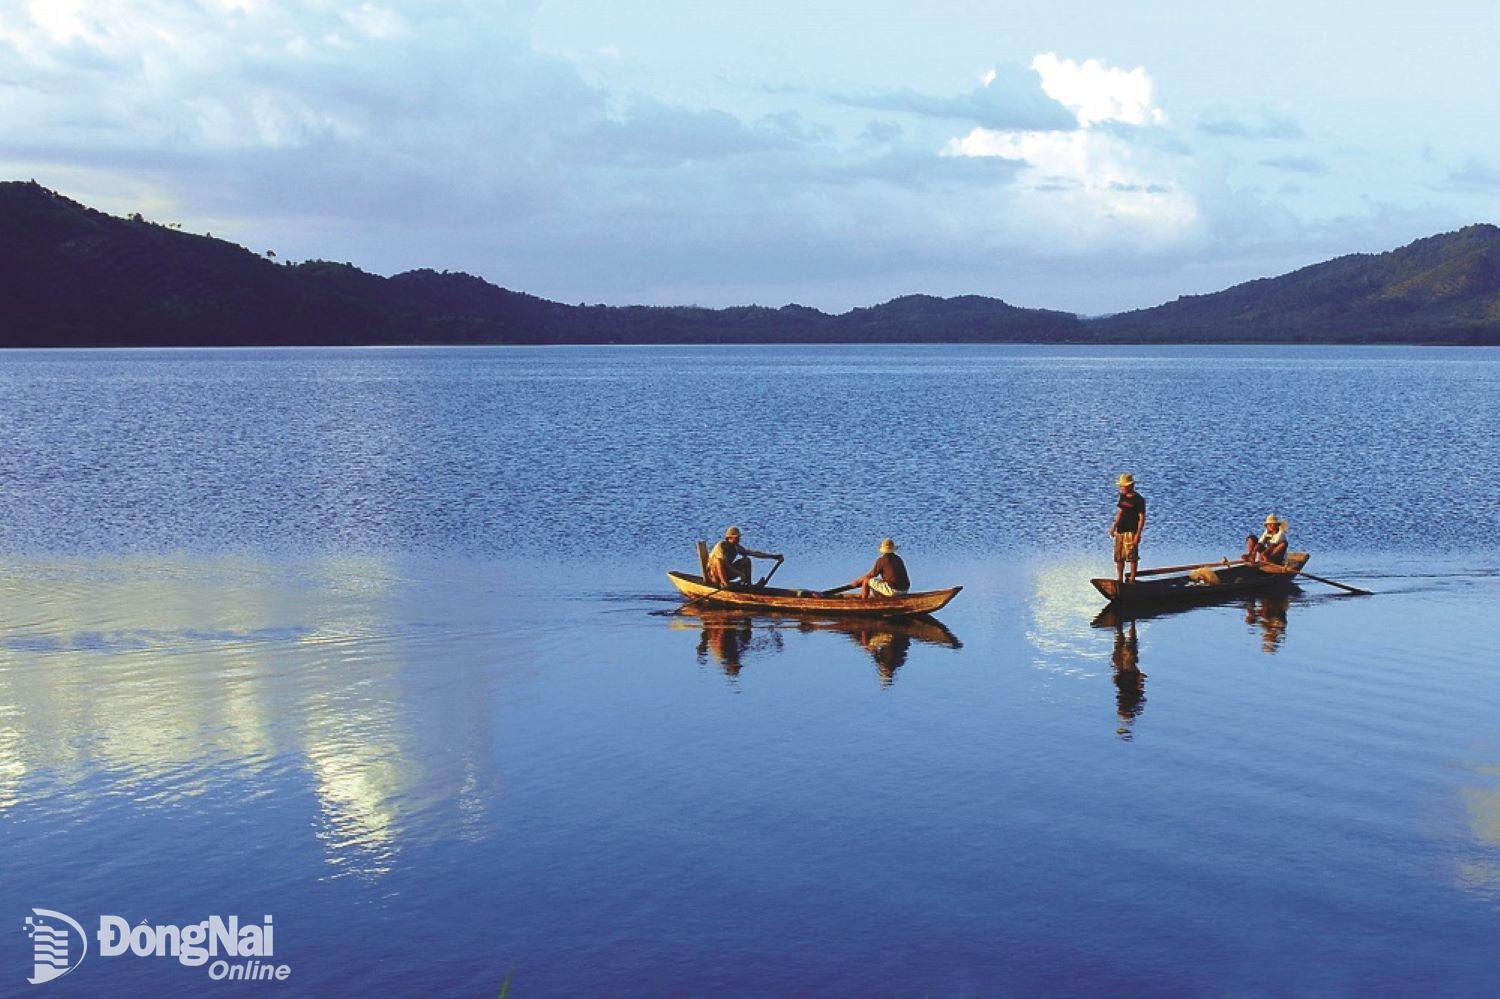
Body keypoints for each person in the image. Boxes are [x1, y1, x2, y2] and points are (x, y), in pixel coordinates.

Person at [705, 525, 782, 587]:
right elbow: (724, 564)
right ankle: (725, 584)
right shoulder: (721, 546)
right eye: (736, 538)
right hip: (714, 575)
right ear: (729, 538)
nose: (739, 539)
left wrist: (773, 556)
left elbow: (754, 553)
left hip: (726, 573)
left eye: (739, 537)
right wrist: (739, 573)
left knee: (746, 560)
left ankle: (748, 586)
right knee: (718, 561)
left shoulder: (736, 547)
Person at [1110, 473, 1146, 583]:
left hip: (1131, 531)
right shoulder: (1122, 496)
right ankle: (1120, 579)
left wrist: (1137, 535)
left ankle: (1132, 580)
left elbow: (1142, 518)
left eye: (1123, 486)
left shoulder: (1138, 499)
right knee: (1119, 557)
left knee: (1132, 557)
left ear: (1130, 486)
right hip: (1121, 530)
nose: (1121, 489)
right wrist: (1114, 526)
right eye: (1120, 486)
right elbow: (1120, 512)